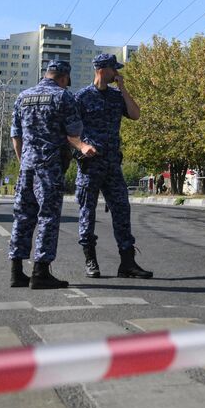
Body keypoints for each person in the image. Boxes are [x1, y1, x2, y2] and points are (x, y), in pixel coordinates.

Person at [9, 59, 96, 290]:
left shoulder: (23, 96)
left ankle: (16, 273)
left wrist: (24, 161)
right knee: (48, 216)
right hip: (50, 167)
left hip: (27, 166)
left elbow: (16, 137)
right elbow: (74, 133)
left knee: (23, 217)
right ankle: (40, 272)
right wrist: (82, 147)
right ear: (64, 78)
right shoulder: (63, 97)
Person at [75, 53, 153, 279]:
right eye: (114, 70)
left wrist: (123, 89)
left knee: (122, 210)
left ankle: (127, 263)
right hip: (89, 166)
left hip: (112, 165)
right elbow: (69, 131)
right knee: (87, 213)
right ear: (102, 69)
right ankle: (91, 260)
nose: (117, 73)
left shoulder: (116, 97)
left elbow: (136, 115)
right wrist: (81, 148)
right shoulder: (81, 97)